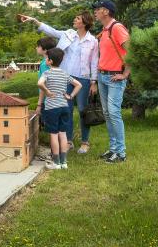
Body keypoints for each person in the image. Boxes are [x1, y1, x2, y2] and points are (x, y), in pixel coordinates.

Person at [20, 12, 99, 154]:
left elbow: (94, 62)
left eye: (78, 18)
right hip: (66, 77)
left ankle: (85, 142)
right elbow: (52, 31)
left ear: (85, 23)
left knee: (82, 110)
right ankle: (68, 141)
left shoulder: (92, 41)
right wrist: (35, 21)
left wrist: (94, 81)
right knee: (66, 110)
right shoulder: (68, 34)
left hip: (83, 79)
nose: (74, 20)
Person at [92, 0, 130, 164]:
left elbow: (132, 51)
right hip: (103, 76)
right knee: (107, 114)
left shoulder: (117, 28)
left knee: (114, 113)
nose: (95, 12)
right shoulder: (105, 29)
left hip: (115, 77)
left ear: (106, 11)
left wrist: (125, 74)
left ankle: (121, 153)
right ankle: (113, 149)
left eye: (97, 9)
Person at [37, 48, 82, 170]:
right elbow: (79, 85)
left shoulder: (47, 73)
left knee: (53, 134)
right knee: (63, 134)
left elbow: (40, 84)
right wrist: (71, 96)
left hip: (52, 108)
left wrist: (47, 91)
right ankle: (64, 162)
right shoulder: (65, 73)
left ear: (50, 61)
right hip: (64, 107)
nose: (46, 60)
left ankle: (56, 163)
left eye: (47, 58)